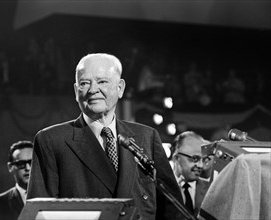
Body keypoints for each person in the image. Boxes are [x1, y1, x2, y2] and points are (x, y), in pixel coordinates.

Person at [27, 53, 183, 220]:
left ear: (120, 88)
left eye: (102, 81)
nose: (93, 90)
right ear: (75, 90)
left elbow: (172, 209)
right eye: (85, 83)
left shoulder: (146, 136)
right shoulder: (52, 140)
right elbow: (39, 214)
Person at [0, 140, 33, 220]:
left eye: (32, 162)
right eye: (21, 164)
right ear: (10, 167)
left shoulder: (54, 199)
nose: (28, 168)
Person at [171, 131, 211, 217]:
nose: (201, 165)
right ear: (176, 158)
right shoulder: (160, 189)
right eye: (195, 158)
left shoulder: (211, 190)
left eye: (203, 160)